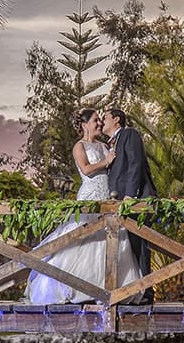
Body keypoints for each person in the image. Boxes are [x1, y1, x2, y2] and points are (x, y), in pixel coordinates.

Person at [25, 109, 142, 303]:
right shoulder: (79, 146)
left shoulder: (105, 145)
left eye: (99, 120)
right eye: (96, 120)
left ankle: (106, 288)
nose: (99, 124)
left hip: (107, 196)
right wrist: (105, 161)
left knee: (109, 239)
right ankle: (72, 287)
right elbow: (86, 169)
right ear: (84, 125)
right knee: (82, 238)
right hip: (90, 196)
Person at [101, 107, 157, 301]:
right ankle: (132, 291)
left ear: (116, 120)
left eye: (105, 117)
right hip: (120, 201)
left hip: (136, 199)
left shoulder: (129, 134)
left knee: (140, 245)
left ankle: (147, 292)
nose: (102, 121)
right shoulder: (111, 143)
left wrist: (130, 195)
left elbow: (135, 163)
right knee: (128, 247)